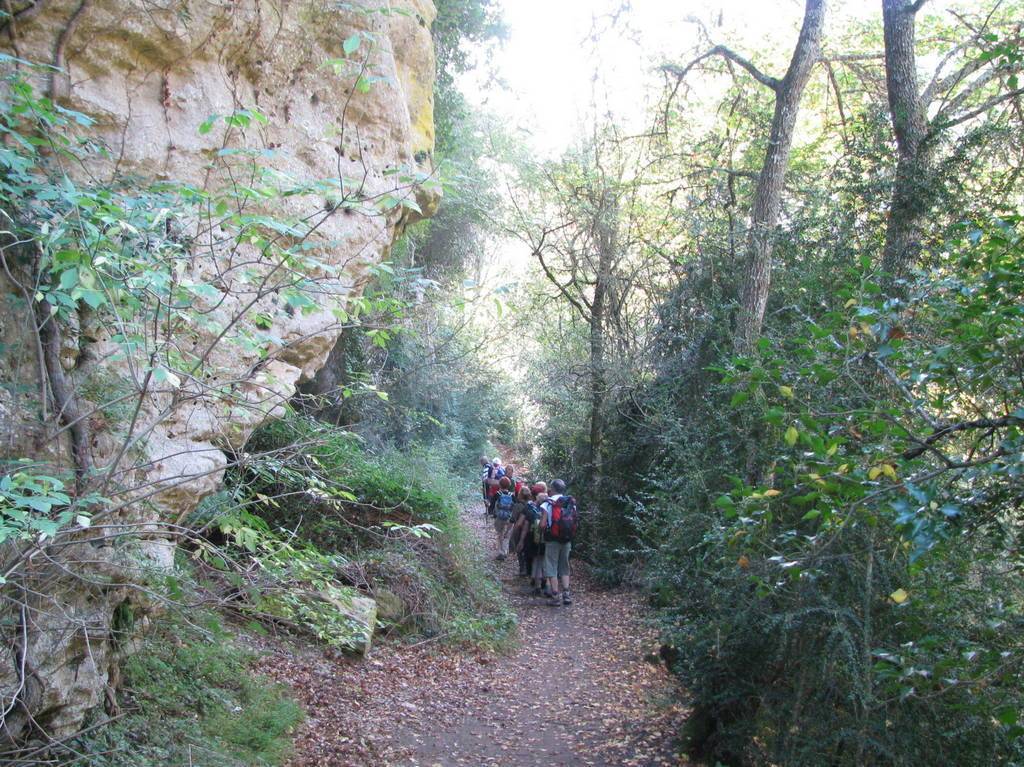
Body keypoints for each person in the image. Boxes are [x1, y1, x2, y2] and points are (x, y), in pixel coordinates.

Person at [540, 479, 578, 606]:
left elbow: (543, 524)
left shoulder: (548, 503)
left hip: (552, 540)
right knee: (564, 566)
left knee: (551, 566)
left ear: (552, 488)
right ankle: (566, 594)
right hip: (567, 539)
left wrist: (541, 531)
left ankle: (555, 596)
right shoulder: (570, 503)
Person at [489, 476, 515, 559]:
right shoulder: (512, 495)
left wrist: (489, 509)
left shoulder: (497, 494)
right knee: (507, 535)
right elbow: (515, 507)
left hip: (499, 517)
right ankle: (504, 551)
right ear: (509, 485)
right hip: (509, 518)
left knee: (500, 533)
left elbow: (492, 506)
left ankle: (500, 552)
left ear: (499, 484)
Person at [509, 487, 533, 576]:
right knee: (528, 549)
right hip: (530, 531)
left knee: (519, 549)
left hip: (519, 530)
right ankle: (529, 569)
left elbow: (512, 519)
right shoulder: (532, 505)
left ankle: (522, 569)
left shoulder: (517, 505)